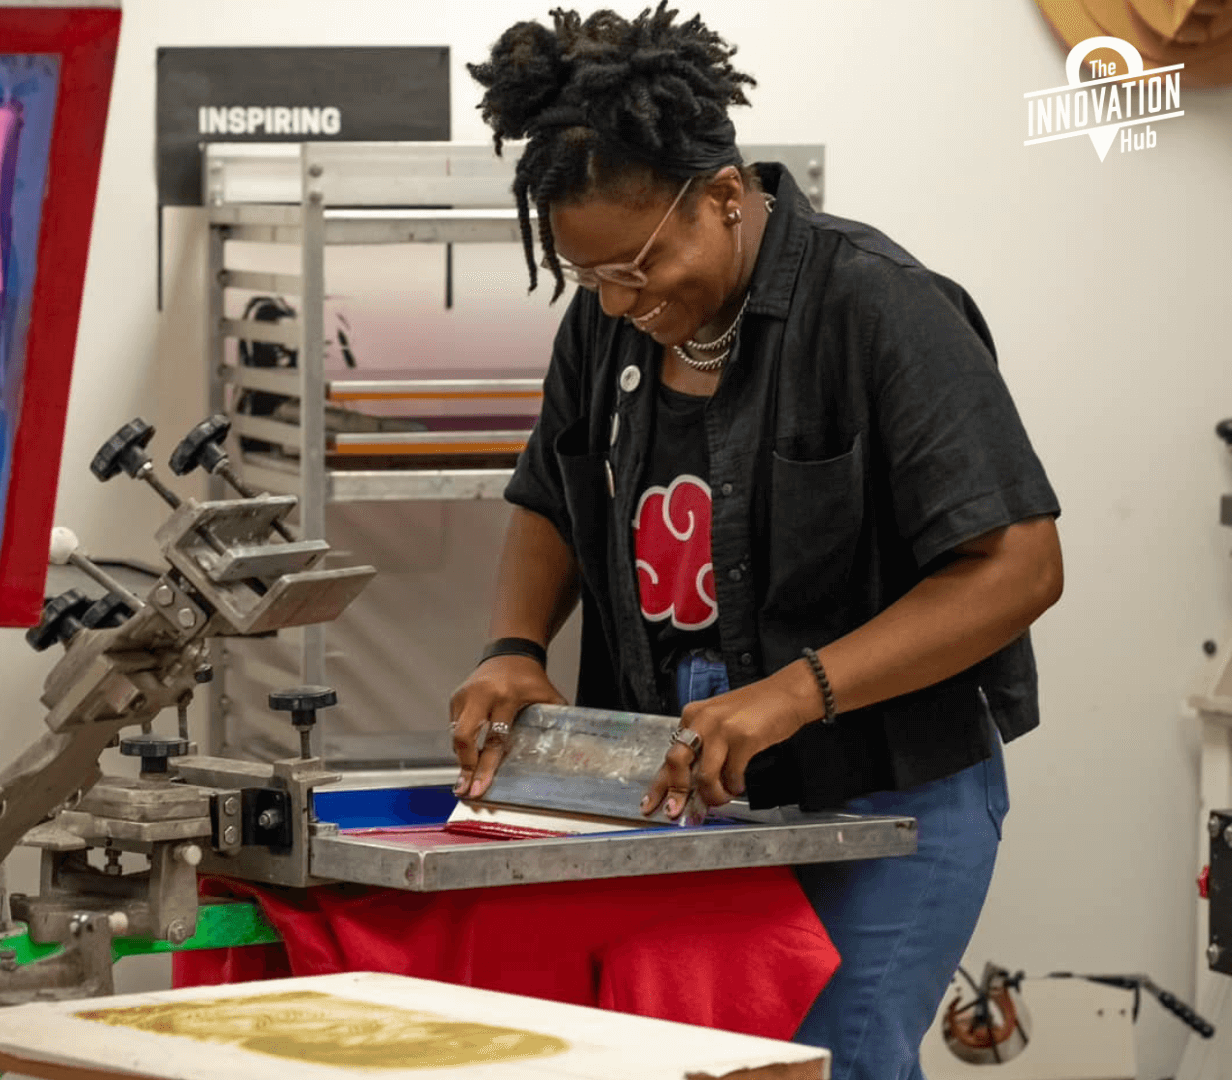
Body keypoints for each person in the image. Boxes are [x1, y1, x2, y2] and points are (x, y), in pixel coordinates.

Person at [447, 6, 1063, 1079]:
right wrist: (513, 646)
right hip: (685, 794)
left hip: (885, 793)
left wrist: (793, 692)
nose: (618, 303)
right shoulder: (607, 321)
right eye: (589, 278)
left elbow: (1017, 566)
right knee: (683, 1060)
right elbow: (552, 493)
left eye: (637, 269)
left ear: (725, 198)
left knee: (835, 1058)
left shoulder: (881, 309)